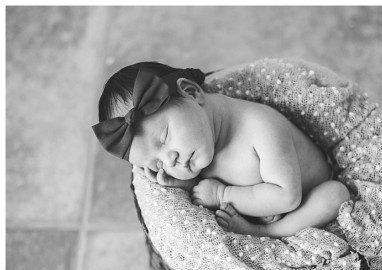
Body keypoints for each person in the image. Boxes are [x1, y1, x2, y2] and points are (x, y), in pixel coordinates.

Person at [93, 62, 350, 238]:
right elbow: (204, 185)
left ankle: (267, 234)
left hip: (306, 197)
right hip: (260, 207)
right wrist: (185, 185)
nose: (170, 159)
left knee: (335, 195)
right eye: (157, 164)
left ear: (192, 93)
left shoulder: (259, 127)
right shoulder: (199, 142)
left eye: (165, 137)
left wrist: (222, 193)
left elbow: (287, 197)